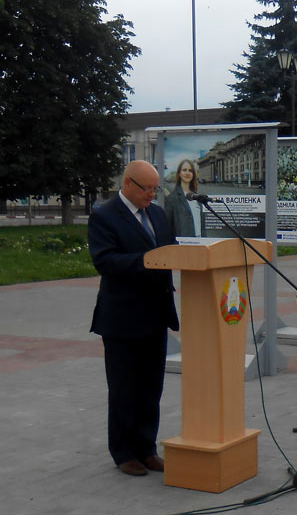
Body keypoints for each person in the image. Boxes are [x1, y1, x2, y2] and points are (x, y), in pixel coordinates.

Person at [87, 160, 179, 477]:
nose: (152, 195)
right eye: (147, 188)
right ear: (128, 183)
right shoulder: (104, 216)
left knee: (152, 388)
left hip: (156, 314)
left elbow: (170, 248)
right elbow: (106, 261)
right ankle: (124, 452)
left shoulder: (156, 213)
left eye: (156, 188)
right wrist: (149, 261)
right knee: (125, 389)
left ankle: (146, 448)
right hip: (122, 318)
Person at [164, 159, 202, 237]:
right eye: (184, 170)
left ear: (193, 174)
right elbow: (167, 227)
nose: (187, 173)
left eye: (190, 170)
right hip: (182, 245)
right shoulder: (172, 198)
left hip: (200, 242)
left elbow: (202, 226)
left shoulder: (198, 198)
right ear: (179, 174)